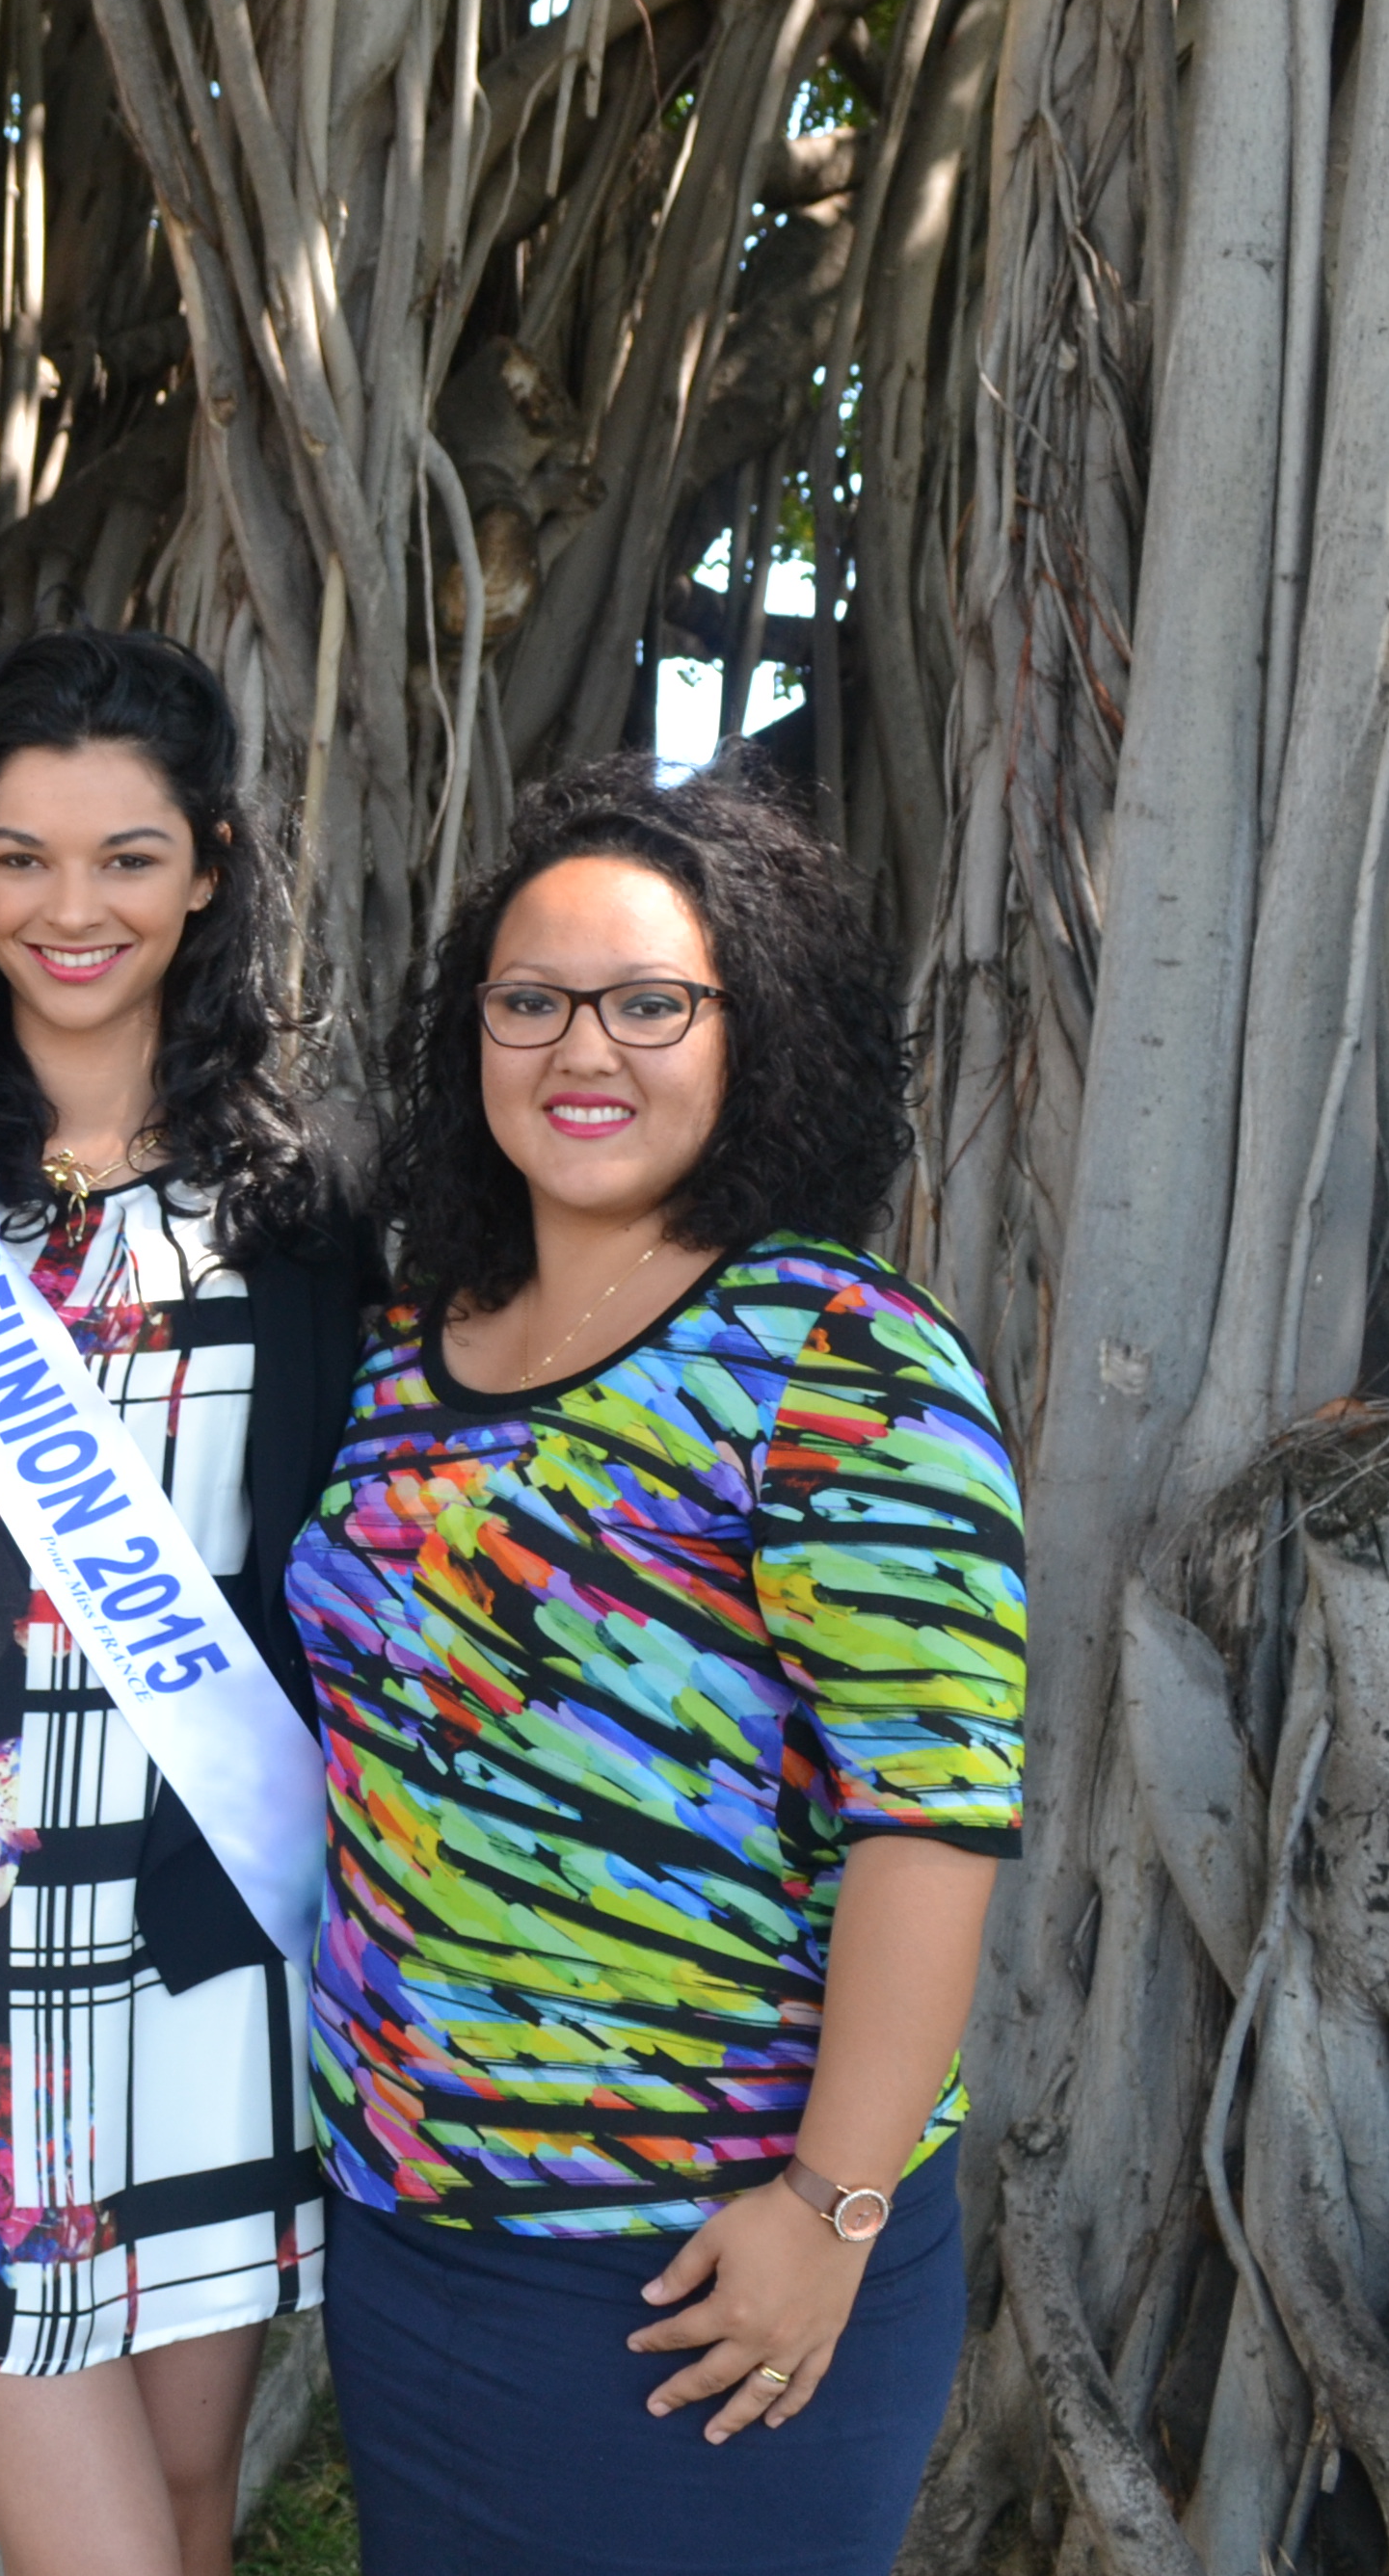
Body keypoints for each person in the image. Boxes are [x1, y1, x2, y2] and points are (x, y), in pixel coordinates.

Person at [287, 757, 1026, 2576]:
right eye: (529, 1002)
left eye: (648, 1003)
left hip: (707, 2259)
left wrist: (831, 2212)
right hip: (415, 2230)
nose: (578, 1050)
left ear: (752, 1030)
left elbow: (930, 1821)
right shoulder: (403, 1356)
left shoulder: (838, 1359)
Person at [0, 629, 366, 2576]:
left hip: (205, 1904)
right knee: (96, 2547)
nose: (70, 908)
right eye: (22, 858)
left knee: (191, 2498)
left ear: (206, 869)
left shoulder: (300, 1197)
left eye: (124, 857)